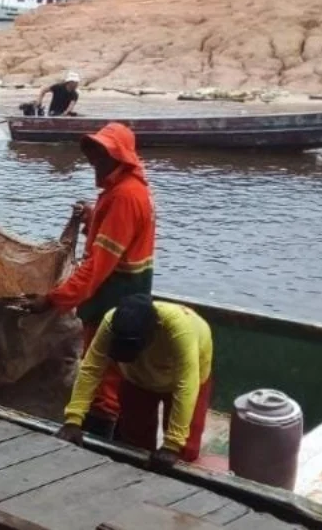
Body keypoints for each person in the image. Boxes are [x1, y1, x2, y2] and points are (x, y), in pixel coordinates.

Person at [23, 122, 155, 438]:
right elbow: (119, 238)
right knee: (113, 370)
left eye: (103, 152)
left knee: (103, 376)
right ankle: (115, 427)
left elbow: (98, 265)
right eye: (94, 152)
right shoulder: (127, 191)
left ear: (120, 157)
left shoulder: (124, 197)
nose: (95, 159)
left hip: (114, 298)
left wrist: (52, 300)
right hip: (127, 295)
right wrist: (92, 216)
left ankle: (100, 440)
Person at [55, 295, 213, 469]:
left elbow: (186, 386)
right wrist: (73, 420)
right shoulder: (110, 322)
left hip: (182, 377)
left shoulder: (180, 330)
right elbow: (91, 369)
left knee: (183, 452)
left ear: (155, 331)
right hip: (137, 377)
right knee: (134, 442)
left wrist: (172, 445)